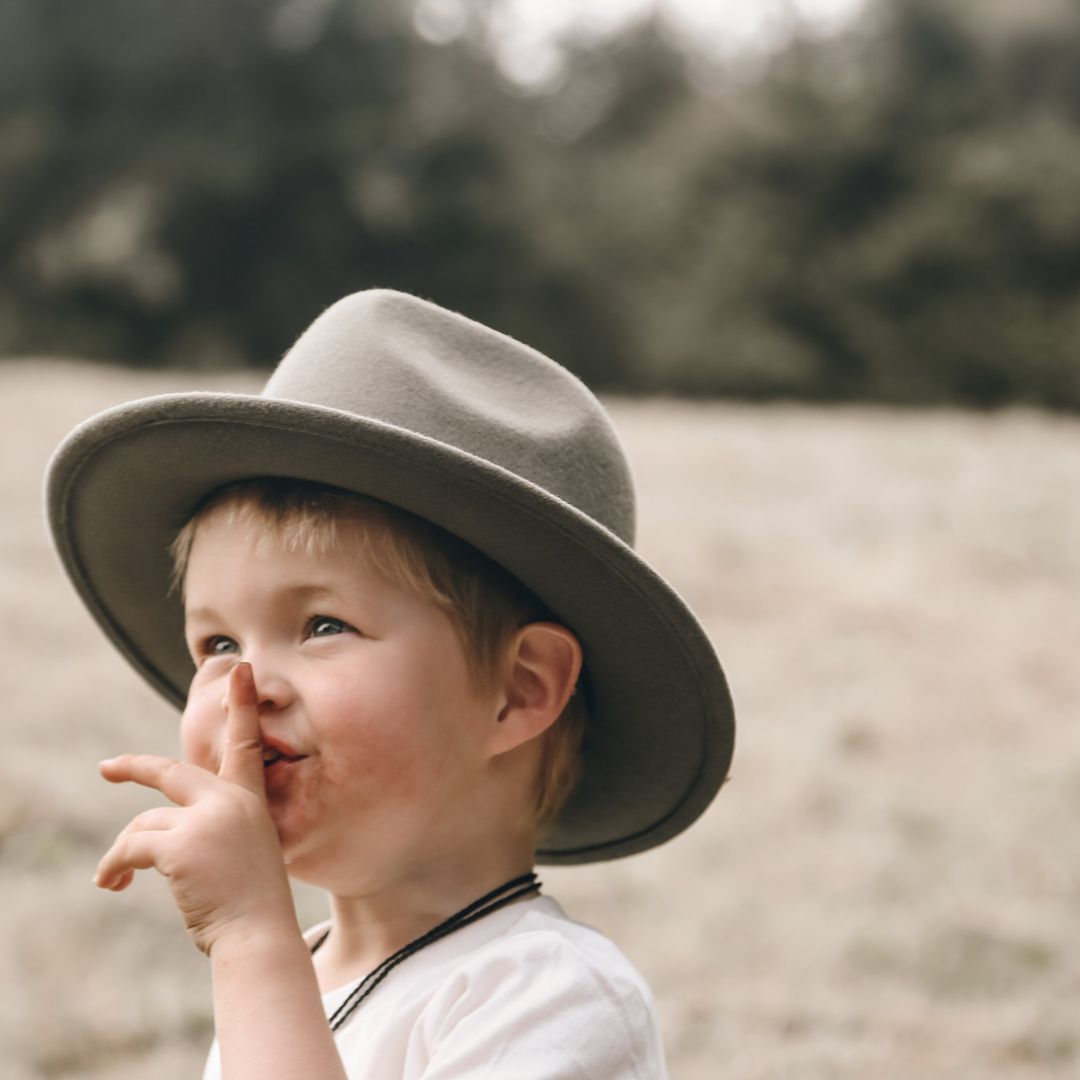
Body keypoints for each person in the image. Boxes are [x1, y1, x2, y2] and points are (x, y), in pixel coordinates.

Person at [46, 289, 735, 1079]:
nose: (248, 685)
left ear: (518, 690)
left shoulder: (550, 998)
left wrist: (249, 938)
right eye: (218, 641)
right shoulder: (299, 967)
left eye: (323, 626)